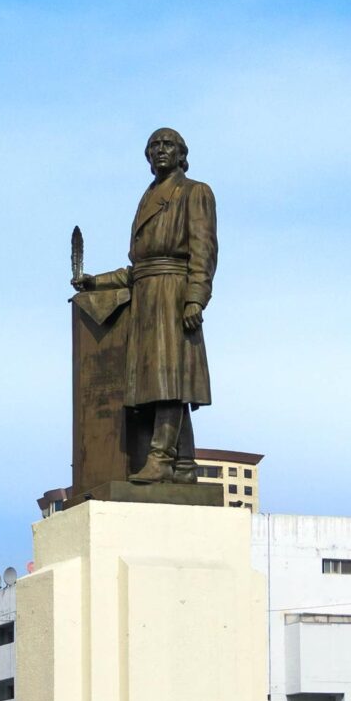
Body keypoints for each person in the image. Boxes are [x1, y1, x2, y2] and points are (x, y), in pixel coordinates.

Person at [72, 127, 216, 484]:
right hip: (147, 297)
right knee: (160, 380)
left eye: (168, 144)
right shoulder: (147, 197)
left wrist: (195, 297)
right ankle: (184, 464)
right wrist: (96, 281)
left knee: (168, 379)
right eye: (154, 146)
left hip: (173, 294)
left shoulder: (195, 192)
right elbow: (137, 270)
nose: (160, 150)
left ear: (182, 153)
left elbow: (204, 251)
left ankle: (161, 458)